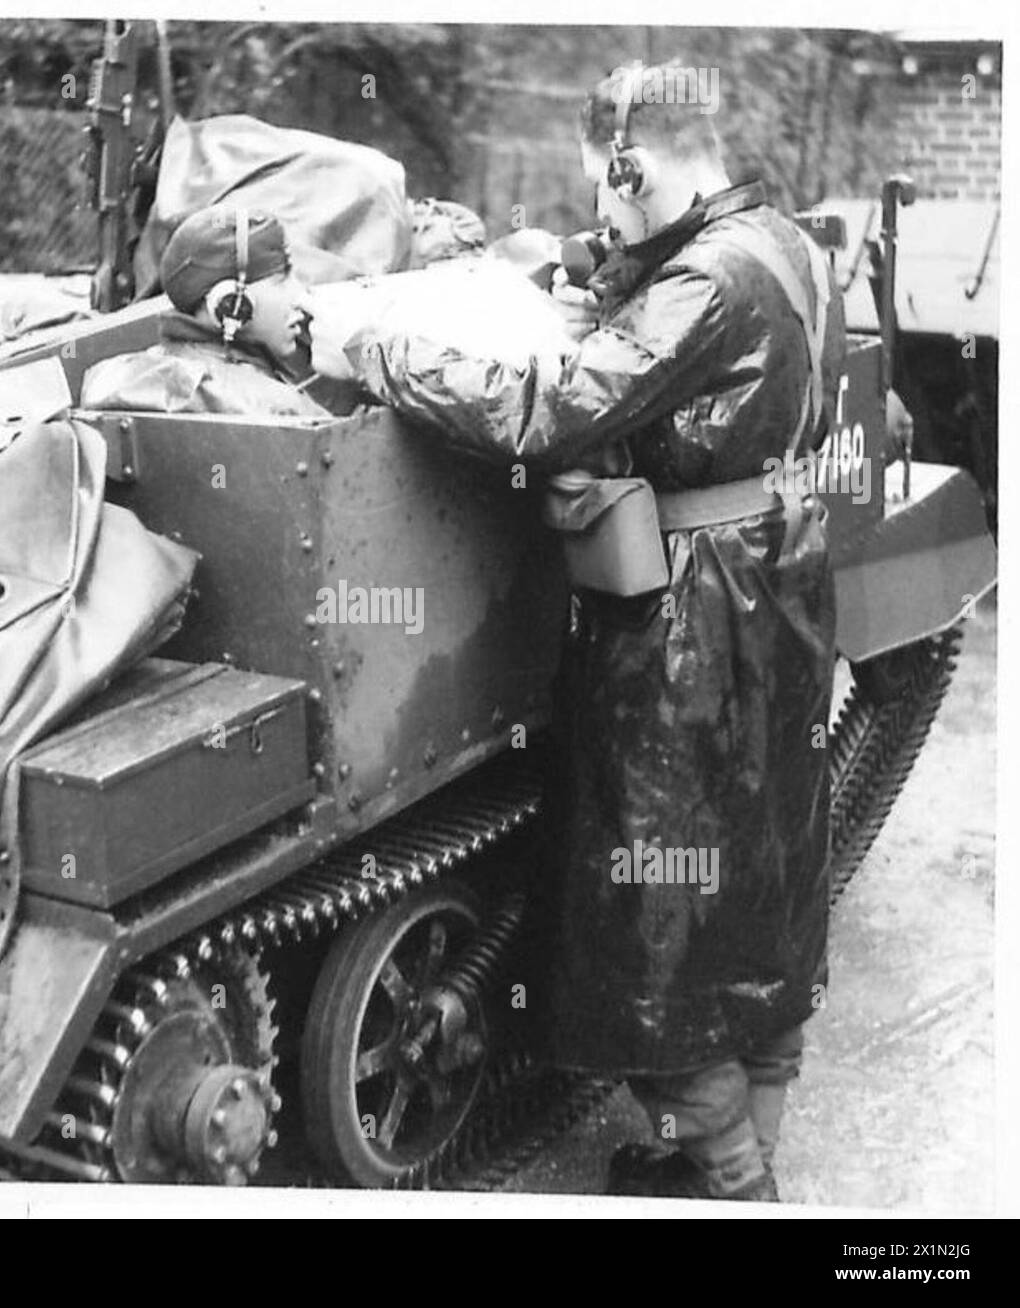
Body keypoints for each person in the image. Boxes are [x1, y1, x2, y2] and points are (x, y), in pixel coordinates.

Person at [309, 60, 846, 1201]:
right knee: (758, 889)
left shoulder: (701, 286)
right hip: (779, 587)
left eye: (604, 196)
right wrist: (606, 270)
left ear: (633, 164)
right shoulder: (782, 243)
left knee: (666, 918)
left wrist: (358, 345)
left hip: (695, 616)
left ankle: (736, 1187)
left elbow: (546, 409)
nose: (600, 216)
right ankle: (742, 1155)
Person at [80, 205, 333, 417]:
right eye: (282, 279)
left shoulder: (120, 378)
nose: (300, 296)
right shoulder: (282, 409)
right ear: (233, 303)